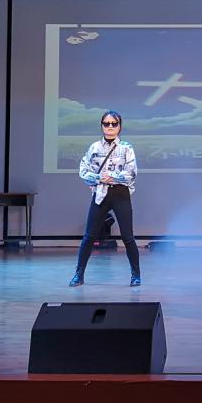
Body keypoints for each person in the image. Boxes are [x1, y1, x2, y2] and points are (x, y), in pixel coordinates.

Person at [69, 110, 141, 287]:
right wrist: (98, 178)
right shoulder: (94, 147)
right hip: (100, 193)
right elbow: (83, 170)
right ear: (101, 126)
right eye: (106, 123)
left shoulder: (126, 148)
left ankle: (136, 275)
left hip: (120, 194)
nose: (110, 127)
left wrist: (113, 176)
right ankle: (78, 275)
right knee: (89, 237)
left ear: (119, 126)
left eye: (114, 124)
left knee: (128, 237)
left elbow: (131, 173)